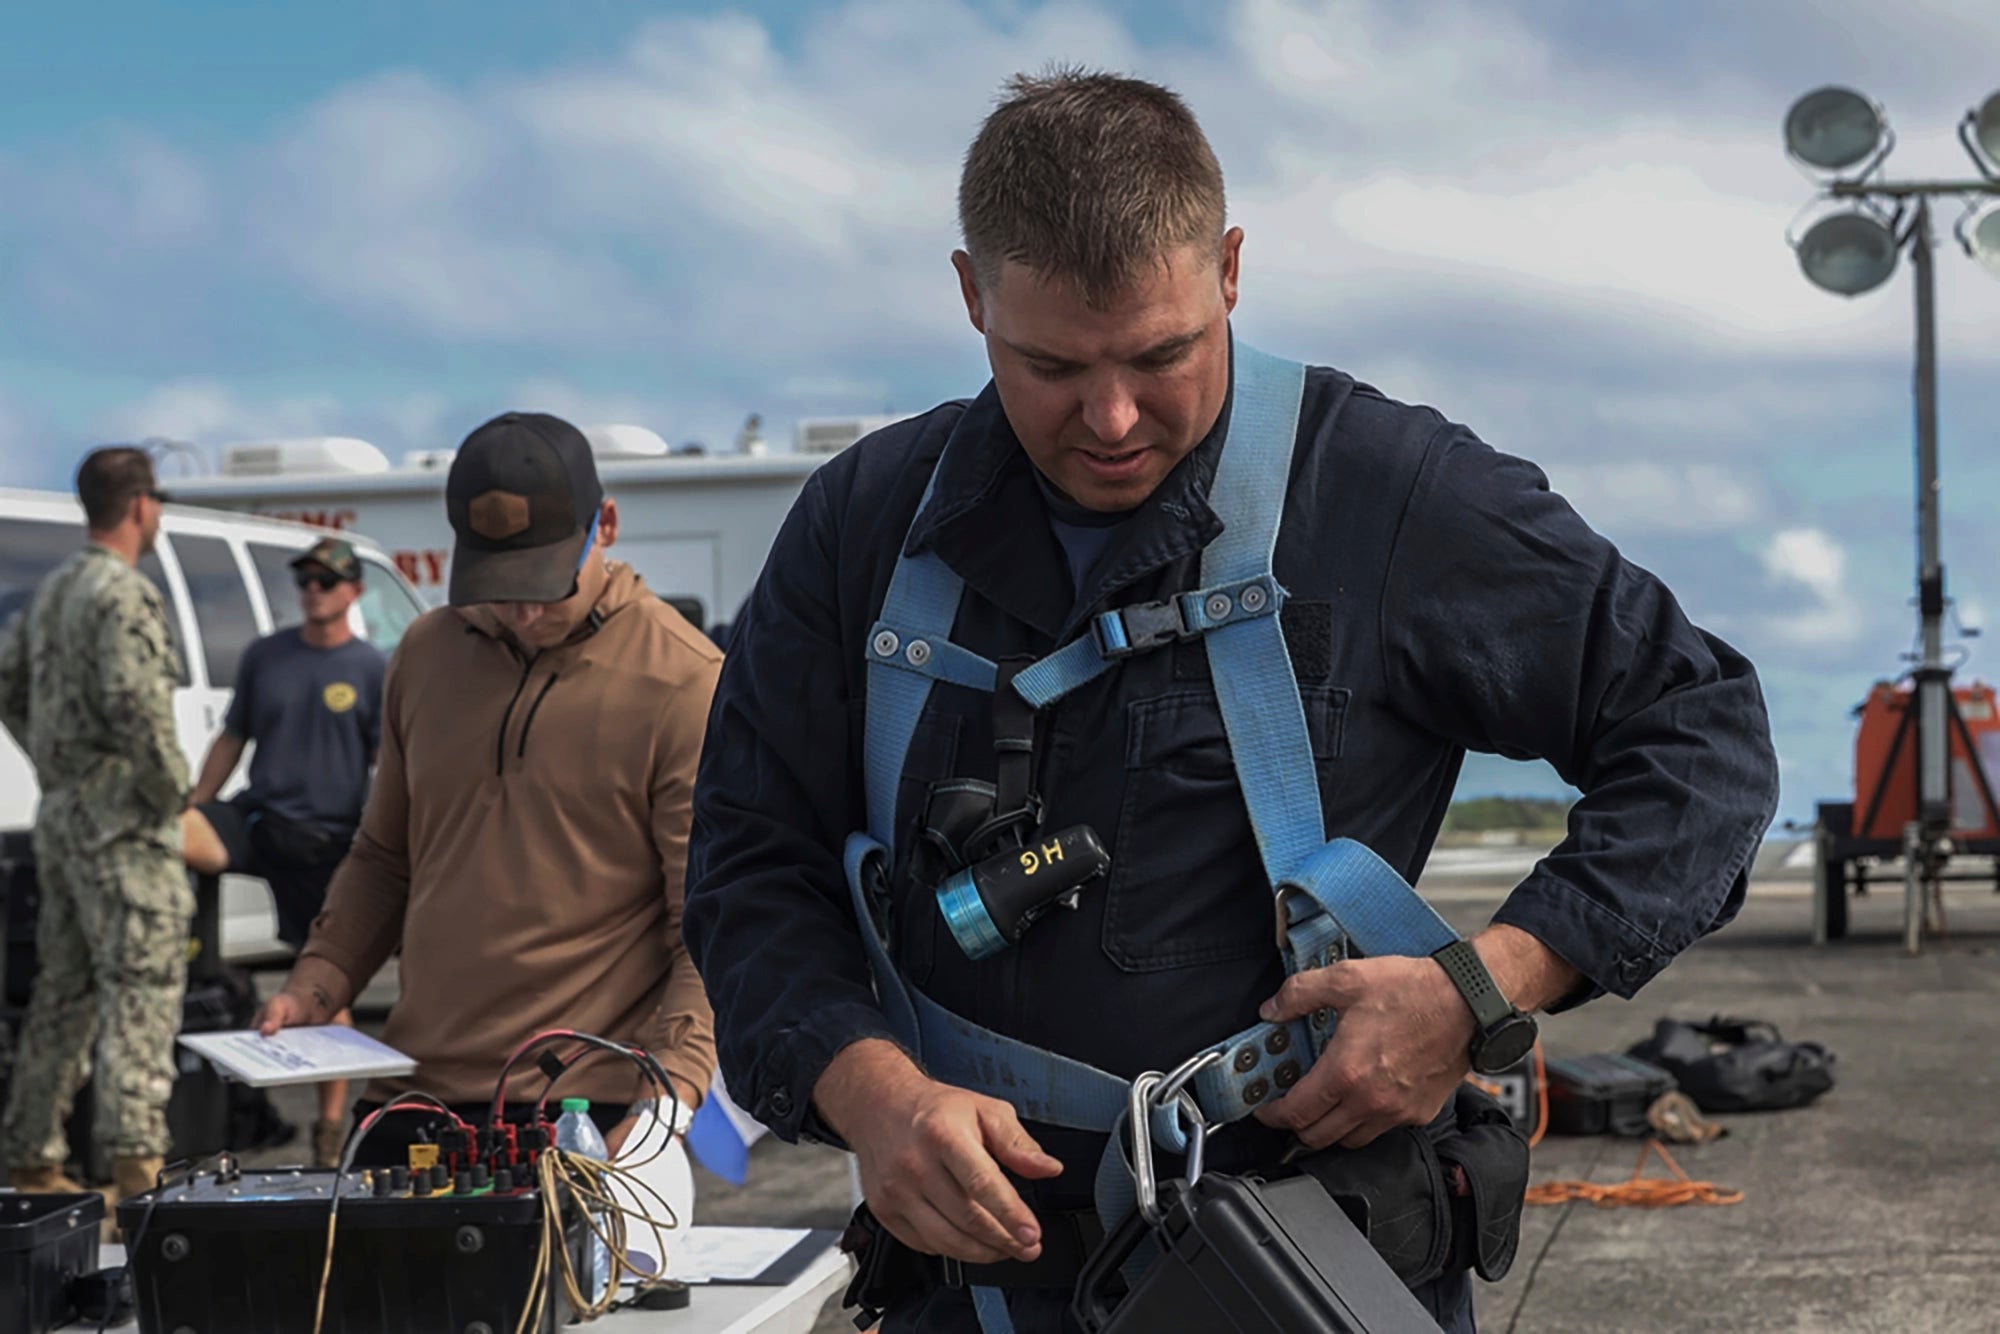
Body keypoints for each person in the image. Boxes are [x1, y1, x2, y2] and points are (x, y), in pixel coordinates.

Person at [682, 69, 1781, 1334]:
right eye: (1049, 364)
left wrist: (1479, 987)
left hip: (1293, 1270)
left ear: (1232, 270)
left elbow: (1700, 732)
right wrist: (865, 1087)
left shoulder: (1387, 493)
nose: (1109, 418)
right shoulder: (861, 523)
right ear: (971, 294)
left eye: (1161, 354)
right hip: (965, 1292)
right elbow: (751, 863)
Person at [255, 412, 719, 1198]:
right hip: (412, 1096)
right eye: (499, 589)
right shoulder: (426, 655)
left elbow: (707, 923)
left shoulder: (682, 681)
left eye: (544, 585)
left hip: (587, 1110)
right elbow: (384, 856)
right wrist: (319, 981)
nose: (524, 613)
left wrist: (668, 1098)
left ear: (603, 526)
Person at [0, 447, 189, 1212]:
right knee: (141, 988)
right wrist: (172, 793)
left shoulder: (51, 593)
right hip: (121, 826)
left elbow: (9, 683)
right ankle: (136, 1171)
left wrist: (56, 760)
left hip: (66, 817)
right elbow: (137, 705)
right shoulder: (123, 594)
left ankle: (34, 1160)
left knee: (64, 992)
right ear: (141, 506)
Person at [180, 536, 387, 1167]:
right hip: (260, 816)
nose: (313, 591)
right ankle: (193, 965)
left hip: (327, 839)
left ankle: (328, 1133)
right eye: (305, 581)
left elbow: (388, 764)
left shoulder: (371, 668)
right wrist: (194, 801)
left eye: (326, 581)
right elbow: (232, 737)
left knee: (328, 987)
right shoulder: (266, 656)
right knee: (169, 836)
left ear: (353, 592)